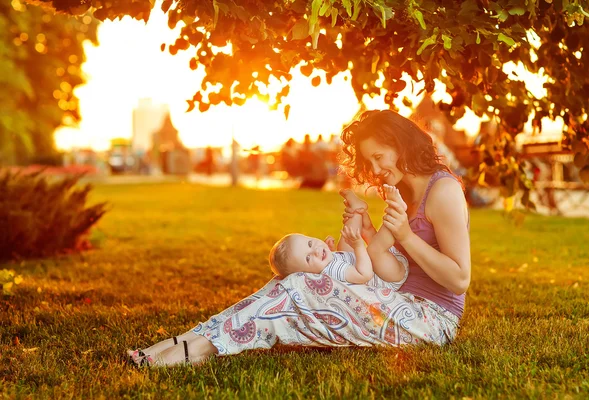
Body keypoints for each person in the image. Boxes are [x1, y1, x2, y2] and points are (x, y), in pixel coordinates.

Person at [127, 109, 471, 367]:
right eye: (370, 160)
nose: (376, 169)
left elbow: (459, 279)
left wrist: (406, 236)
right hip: (395, 301)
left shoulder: (442, 191)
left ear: (400, 144)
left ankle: (197, 350)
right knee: (289, 278)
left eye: (379, 157)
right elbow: (390, 264)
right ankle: (186, 340)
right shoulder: (405, 191)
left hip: (430, 322)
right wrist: (364, 229)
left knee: (304, 286)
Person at [269, 184, 410, 290]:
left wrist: (332, 252)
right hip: (390, 277)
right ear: (305, 274)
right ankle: (396, 210)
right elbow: (364, 274)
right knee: (373, 249)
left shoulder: (326, 266)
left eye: (310, 244)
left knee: (345, 243)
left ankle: (356, 209)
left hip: (382, 266)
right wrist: (359, 245)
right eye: (308, 258)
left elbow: (341, 261)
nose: (316, 251)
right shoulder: (332, 271)